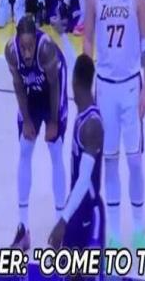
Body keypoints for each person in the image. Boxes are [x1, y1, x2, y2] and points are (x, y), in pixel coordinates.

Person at [83, 0, 145, 249]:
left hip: (130, 85)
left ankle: (138, 229)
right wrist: (86, 84)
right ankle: (113, 233)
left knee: (135, 161)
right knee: (109, 161)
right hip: (105, 87)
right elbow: (87, 40)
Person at [5, 15, 68, 250]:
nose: (27, 52)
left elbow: (54, 85)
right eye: (23, 47)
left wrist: (53, 121)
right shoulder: (11, 52)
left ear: (35, 40)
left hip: (53, 89)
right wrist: (27, 119)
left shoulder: (46, 50)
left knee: (55, 150)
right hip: (31, 93)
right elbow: (18, 86)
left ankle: (60, 225)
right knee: (24, 149)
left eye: (30, 46)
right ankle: (23, 228)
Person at [48, 53, 105, 271]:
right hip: (76, 208)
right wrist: (63, 36)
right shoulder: (83, 113)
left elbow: (83, 180)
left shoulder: (91, 125)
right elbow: (76, 61)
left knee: (86, 273)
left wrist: (62, 220)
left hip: (89, 211)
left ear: (73, 82)